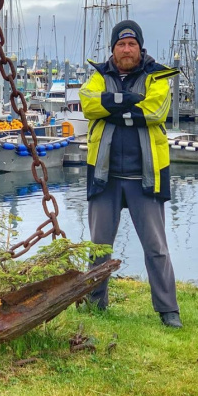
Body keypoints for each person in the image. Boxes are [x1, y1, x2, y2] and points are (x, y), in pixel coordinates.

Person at [78, 20, 182, 328]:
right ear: (112, 49)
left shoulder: (157, 76)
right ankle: (95, 304)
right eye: (121, 44)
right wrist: (129, 106)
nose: (126, 49)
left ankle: (168, 311)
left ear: (140, 47)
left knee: (156, 248)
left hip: (146, 177)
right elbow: (87, 104)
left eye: (132, 44)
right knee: (98, 247)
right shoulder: (98, 76)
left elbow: (155, 111)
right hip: (104, 175)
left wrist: (111, 106)